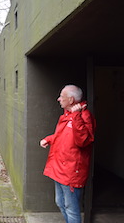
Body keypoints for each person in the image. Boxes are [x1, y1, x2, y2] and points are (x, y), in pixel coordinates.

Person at [39, 85, 96, 223]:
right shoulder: (67, 115)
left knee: (71, 208)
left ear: (71, 100)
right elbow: (63, 136)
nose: (59, 99)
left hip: (71, 172)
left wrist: (77, 117)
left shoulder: (84, 116)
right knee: (60, 202)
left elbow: (82, 140)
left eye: (62, 96)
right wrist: (49, 139)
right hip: (59, 169)